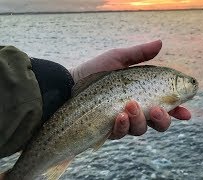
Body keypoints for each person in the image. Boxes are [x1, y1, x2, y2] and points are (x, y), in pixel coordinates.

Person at [0, 40, 191, 158]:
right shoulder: (172, 93)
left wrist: (69, 82)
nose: (193, 84)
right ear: (178, 83)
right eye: (190, 82)